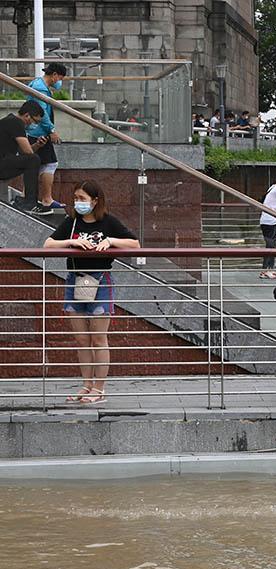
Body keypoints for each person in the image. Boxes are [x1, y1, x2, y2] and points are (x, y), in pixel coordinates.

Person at [42, 180, 140, 405]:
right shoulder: (72, 222)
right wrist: (70, 243)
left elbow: (134, 244)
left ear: (95, 201)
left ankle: (99, 388)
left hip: (100, 281)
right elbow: (48, 244)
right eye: (76, 198)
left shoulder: (108, 222)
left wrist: (110, 241)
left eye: (82, 199)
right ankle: (86, 384)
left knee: (98, 338)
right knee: (81, 338)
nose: (78, 203)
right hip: (74, 280)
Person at [26, 62, 67, 214]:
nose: (59, 81)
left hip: (35, 130)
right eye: (60, 78)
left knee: (36, 166)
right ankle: (46, 199)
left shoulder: (38, 84)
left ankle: (30, 197)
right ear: (54, 74)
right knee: (50, 164)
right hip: (39, 132)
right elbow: (41, 113)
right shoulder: (40, 88)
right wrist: (52, 131)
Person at [0, 100, 46, 213]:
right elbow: (29, 154)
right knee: (34, 160)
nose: (34, 125)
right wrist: (32, 150)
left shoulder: (10, 121)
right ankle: (30, 202)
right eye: (35, 121)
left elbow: (24, 153)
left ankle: (28, 201)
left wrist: (37, 145)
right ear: (27, 116)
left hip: (4, 162)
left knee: (32, 160)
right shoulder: (16, 123)